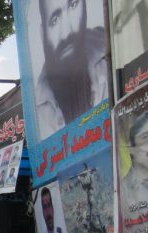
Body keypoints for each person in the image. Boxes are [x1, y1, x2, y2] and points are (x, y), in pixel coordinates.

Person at [34, 0, 108, 140]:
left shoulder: (112, 54)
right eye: (54, 20)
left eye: (73, 5)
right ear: (43, 34)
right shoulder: (37, 112)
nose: (67, 31)